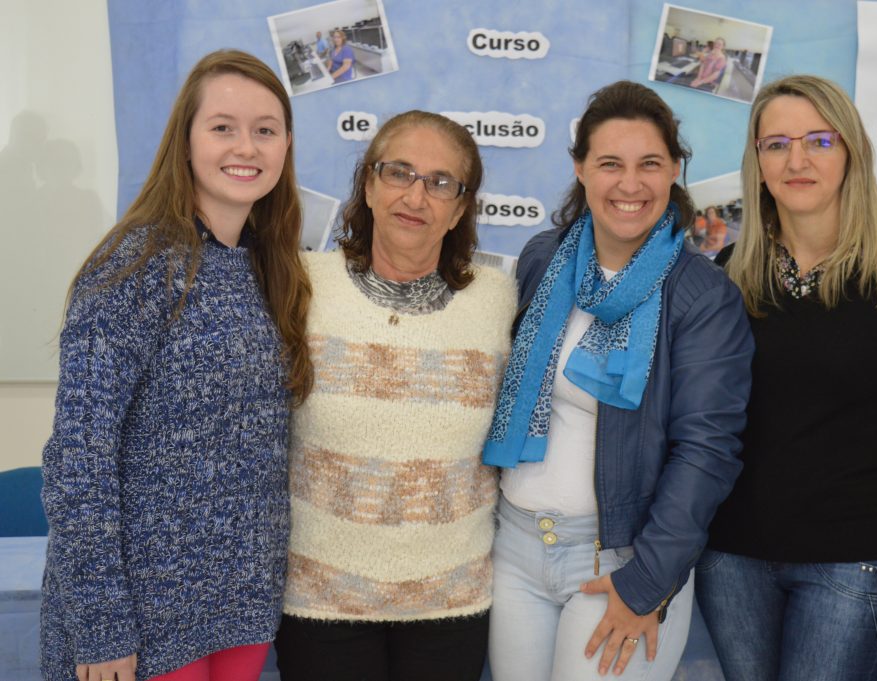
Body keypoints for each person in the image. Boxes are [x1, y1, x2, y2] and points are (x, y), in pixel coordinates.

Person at [39, 49, 312, 681]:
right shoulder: (134, 265)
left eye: (265, 130)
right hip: (143, 617)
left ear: (286, 145)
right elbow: (78, 459)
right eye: (222, 127)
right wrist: (101, 624)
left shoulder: (274, 268)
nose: (246, 146)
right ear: (185, 142)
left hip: (241, 606)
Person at [695, 74, 877, 681]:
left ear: (851, 152)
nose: (797, 161)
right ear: (757, 161)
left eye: (819, 141)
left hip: (854, 563)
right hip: (731, 560)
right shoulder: (728, 272)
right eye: (777, 144)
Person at [484, 80, 754, 681]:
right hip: (516, 549)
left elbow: (707, 450)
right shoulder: (542, 259)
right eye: (610, 164)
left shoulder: (702, 296)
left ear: (675, 170)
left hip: (620, 561)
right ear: (580, 169)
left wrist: (647, 581)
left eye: (649, 164)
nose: (630, 185)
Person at [273, 111, 516, 681]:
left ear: (460, 208)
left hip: (450, 602)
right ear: (368, 184)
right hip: (320, 600)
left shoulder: (498, 299)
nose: (415, 196)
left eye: (440, 182)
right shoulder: (302, 284)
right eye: (399, 172)